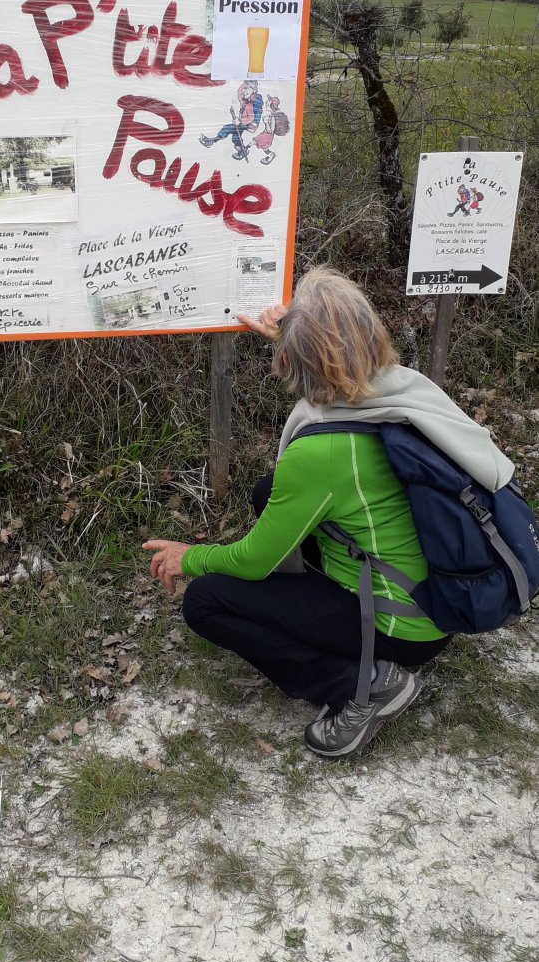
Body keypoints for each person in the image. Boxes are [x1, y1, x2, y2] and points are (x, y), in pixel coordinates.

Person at [143, 267, 515, 759]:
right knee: (269, 493)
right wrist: (293, 334)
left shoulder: (322, 455)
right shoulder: (399, 387)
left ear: (296, 361)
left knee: (206, 601)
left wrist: (189, 556)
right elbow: (331, 372)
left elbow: (254, 560)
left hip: (400, 627)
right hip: (435, 602)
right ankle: (336, 627)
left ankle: (363, 684)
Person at [199, 81, 263, 161]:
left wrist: (240, 121)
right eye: (245, 90)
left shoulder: (249, 105)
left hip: (249, 124)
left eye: (247, 92)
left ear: (252, 94)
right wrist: (245, 83)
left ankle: (210, 142)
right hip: (244, 123)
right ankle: (242, 151)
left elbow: (251, 118)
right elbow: (240, 92)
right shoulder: (244, 101)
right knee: (236, 137)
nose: (244, 92)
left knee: (227, 128)